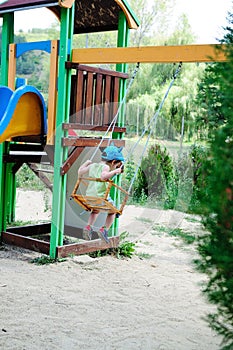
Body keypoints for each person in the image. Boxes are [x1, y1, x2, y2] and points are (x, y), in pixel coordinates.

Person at [78, 144, 124, 243]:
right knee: (113, 211)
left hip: (89, 197)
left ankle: (88, 227)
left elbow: (80, 172)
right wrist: (115, 171)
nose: (115, 167)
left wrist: (86, 163)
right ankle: (104, 230)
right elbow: (104, 177)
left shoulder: (92, 165)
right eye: (116, 165)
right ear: (113, 162)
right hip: (101, 197)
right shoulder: (106, 167)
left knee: (95, 211)